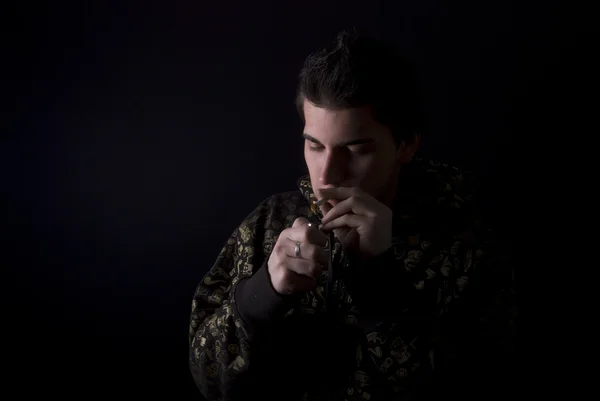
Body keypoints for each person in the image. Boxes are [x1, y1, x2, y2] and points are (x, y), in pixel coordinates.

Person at [188, 30, 517, 401]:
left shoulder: (471, 239)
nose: (326, 175)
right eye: (314, 146)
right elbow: (210, 380)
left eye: (355, 150)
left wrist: (380, 279)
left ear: (406, 145)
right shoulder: (267, 223)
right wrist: (261, 293)